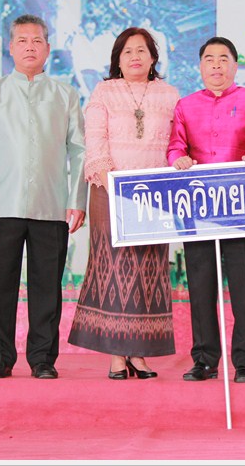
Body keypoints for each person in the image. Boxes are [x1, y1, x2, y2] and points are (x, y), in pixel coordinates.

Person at [0, 14, 88, 380]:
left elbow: (79, 150)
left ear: (48, 48)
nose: (30, 47)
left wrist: (77, 199)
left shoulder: (65, 94)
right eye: (22, 40)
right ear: (11, 47)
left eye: (37, 41)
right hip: (1, 203)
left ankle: (42, 359)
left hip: (52, 204)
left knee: (47, 287)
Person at [68, 27, 179, 380]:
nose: (135, 57)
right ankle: (117, 354)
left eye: (141, 50)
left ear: (153, 57)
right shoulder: (104, 92)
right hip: (110, 190)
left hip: (155, 196)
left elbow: (177, 142)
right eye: (127, 51)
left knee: (149, 270)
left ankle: (140, 354)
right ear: (117, 58)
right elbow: (95, 141)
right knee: (115, 270)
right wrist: (114, 185)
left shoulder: (169, 94)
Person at [167, 36, 245, 384]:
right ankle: (204, 359)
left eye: (223, 58)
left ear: (234, 65)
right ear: (200, 66)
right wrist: (178, 159)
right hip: (199, 209)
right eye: (209, 59)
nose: (216, 65)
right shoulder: (185, 106)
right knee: (201, 288)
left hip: (241, 209)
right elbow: (175, 146)